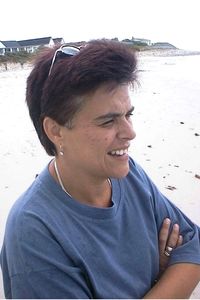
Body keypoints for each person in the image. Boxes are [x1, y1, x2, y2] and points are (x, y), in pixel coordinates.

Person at [1, 39, 200, 299]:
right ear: (55, 131)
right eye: (108, 121)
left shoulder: (128, 175)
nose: (130, 133)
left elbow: (193, 245)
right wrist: (162, 278)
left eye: (128, 115)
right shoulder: (34, 231)